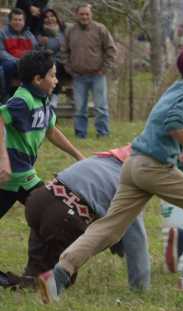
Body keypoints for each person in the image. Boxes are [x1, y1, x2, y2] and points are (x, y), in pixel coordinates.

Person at [36, 45, 183, 303]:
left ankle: (58, 275)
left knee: (110, 228)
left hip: (132, 164)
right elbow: (176, 124)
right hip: (154, 168)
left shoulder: (178, 89)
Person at [18, 145, 150, 291]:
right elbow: (135, 239)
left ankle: (30, 280)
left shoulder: (101, 159)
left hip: (39, 199)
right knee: (61, 278)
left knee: (36, 269)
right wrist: (140, 287)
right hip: (64, 217)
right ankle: (46, 290)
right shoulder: (133, 182)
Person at [1, 50, 83, 221]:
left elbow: (51, 131)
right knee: (55, 213)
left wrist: (78, 155)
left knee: (53, 214)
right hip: (15, 174)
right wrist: (3, 159)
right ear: (38, 79)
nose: (56, 80)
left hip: (19, 176)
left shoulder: (43, 100)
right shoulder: (23, 100)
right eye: (52, 76)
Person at [61, 4, 117, 139]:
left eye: (87, 14)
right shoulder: (70, 31)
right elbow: (64, 52)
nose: (84, 17)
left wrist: (104, 68)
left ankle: (102, 133)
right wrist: (69, 68)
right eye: (82, 14)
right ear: (77, 15)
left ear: (91, 15)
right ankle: (80, 134)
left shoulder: (100, 29)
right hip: (78, 76)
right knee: (80, 108)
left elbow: (111, 49)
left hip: (97, 75)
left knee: (101, 108)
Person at [0, 9, 38, 99]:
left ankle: (33, 96)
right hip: (10, 63)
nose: (17, 22)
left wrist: (26, 61)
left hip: (26, 64)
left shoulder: (29, 35)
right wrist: (17, 61)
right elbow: (1, 51)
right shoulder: (2, 33)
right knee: (7, 66)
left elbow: (36, 50)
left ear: (24, 22)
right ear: (10, 21)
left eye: (20, 20)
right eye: (15, 19)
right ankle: (5, 96)